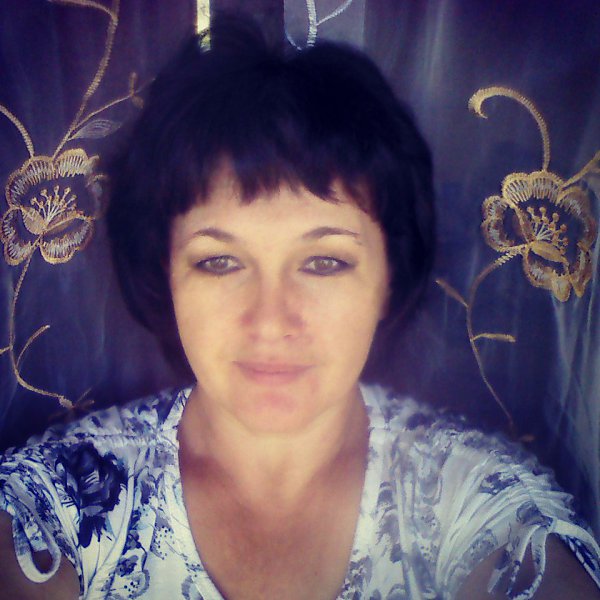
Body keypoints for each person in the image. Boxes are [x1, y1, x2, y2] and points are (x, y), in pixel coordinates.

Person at [1, 15, 599, 600]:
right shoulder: (60, 507)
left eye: (324, 262)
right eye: (219, 261)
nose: (270, 321)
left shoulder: (477, 507)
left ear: (389, 278)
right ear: (165, 273)